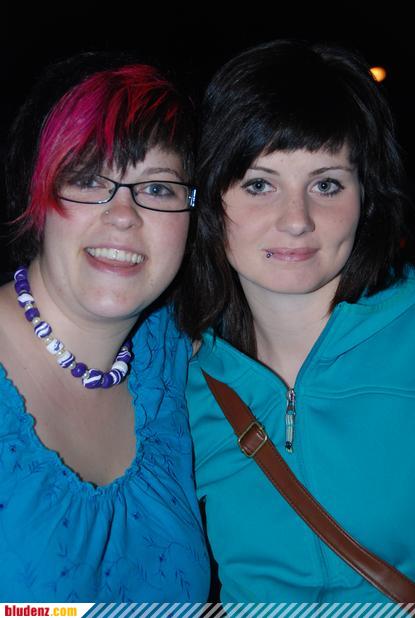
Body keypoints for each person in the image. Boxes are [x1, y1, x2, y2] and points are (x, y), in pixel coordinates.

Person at [175, 40, 415, 602]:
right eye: (259, 184)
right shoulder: (177, 384)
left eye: (326, 184)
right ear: (211, 199)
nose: (296, 220)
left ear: (366, 198)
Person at [0, 53, 209, 602]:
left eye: (158, 188)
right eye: (90, 178)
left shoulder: (170, 358)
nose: (123, 214)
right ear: (39, 193)